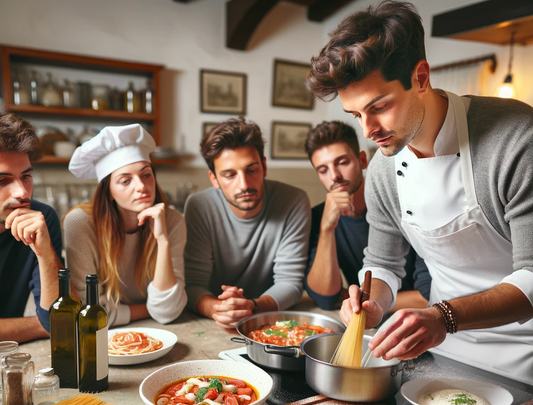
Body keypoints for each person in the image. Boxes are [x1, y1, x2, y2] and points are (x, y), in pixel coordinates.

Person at [306, 1, 533, 384]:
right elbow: (383, 263)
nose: (368, 129)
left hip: (524, 356)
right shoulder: (382, 169)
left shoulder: (515, 139)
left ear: (421, 77)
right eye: (356, 115)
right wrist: (374, 303)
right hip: (441, 354)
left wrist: (443, 316)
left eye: (378, 107)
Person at [184, 118, 311, 329]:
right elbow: (193, 284)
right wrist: (219, 309)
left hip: (268, 320)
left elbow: (290, 283)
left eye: (251, 170)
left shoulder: (293, 201)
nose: (244, 184)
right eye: (229, 175)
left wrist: (251, 307)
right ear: (214, 179)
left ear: (264, 166)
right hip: (213, 323)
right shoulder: (199, 205)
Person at [65, 124, 186, 327]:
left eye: (146, 174)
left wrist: (162, 240)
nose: (141, 187)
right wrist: (151, 309)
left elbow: (168, 312)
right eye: (125, 180)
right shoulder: (80, 223)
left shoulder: (171, 220)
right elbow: (89, 314)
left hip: (160, 331)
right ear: (109, 191)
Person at [304, 120, 431, 311]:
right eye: (323, 170)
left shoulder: (402, 204)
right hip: (370, 317)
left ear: (362, 160)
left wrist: (365, 303)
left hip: (419, 319)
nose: (334, 176)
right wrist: (327, 229)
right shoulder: (320, 217)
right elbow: (325, 299)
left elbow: (426, 296)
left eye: (342, 162)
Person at [0, 112, 63, 343]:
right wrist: (38, 324)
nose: (22, 192)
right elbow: (48, 324)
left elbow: (60, 322)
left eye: (26, 176)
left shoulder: (42, 218)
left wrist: (45, 254)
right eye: (2, 180)